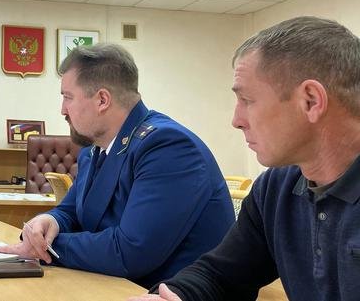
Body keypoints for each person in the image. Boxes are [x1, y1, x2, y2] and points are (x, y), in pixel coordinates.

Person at [129, 16, 360, 301]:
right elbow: (220, 275)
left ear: (310, 100)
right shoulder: (276, 189)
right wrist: (174, 296)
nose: (236, 121)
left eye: (247, 101)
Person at [0, 43, 234, 288]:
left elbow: (130, 252)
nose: (63, 110)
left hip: (171, 292)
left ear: (102, 100)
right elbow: (71, 212)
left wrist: (45, 246)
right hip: (117, 285)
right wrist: (49, 221)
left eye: (68, 97)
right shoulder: (94, 149)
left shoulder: (167, 147)